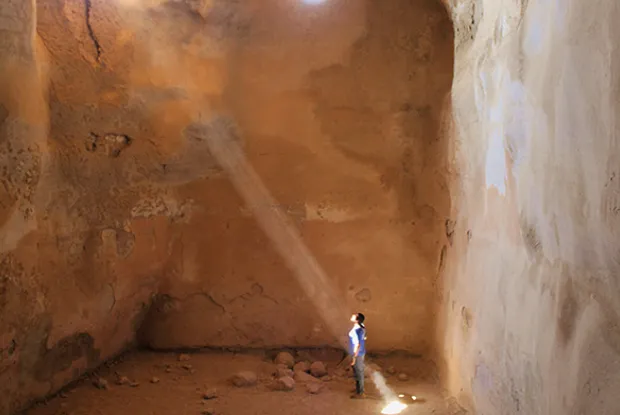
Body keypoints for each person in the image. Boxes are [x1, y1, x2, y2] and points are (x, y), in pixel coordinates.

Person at [348, 312, 367, 398]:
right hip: (360, 352)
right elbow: (365, 337)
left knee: (359, 373)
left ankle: (361, 393)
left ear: (357, 320)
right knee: (358, 372)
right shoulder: (361, 326)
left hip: (357, 353)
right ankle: (359, 389)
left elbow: (357, 344)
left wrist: (354, 357)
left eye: (354, 315)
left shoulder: (357, 329)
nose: (352, 315)